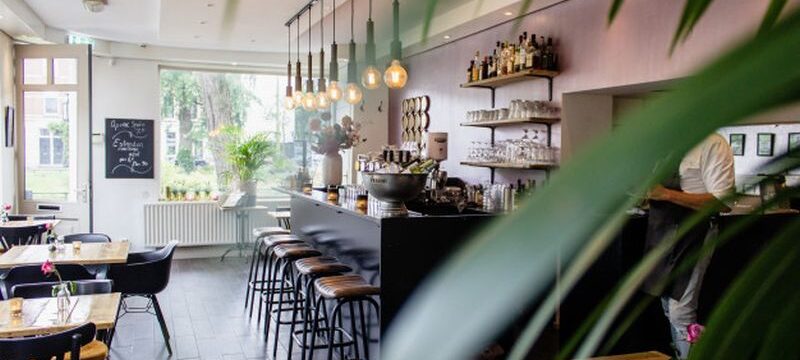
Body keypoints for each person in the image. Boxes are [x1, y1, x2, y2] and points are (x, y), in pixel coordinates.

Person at [642, 133, 735, 359]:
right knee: (667, 305)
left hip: (695, 233)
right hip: (662, 231)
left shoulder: (713, 144)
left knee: (680, 312)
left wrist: (666, 194)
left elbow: (722, 202)